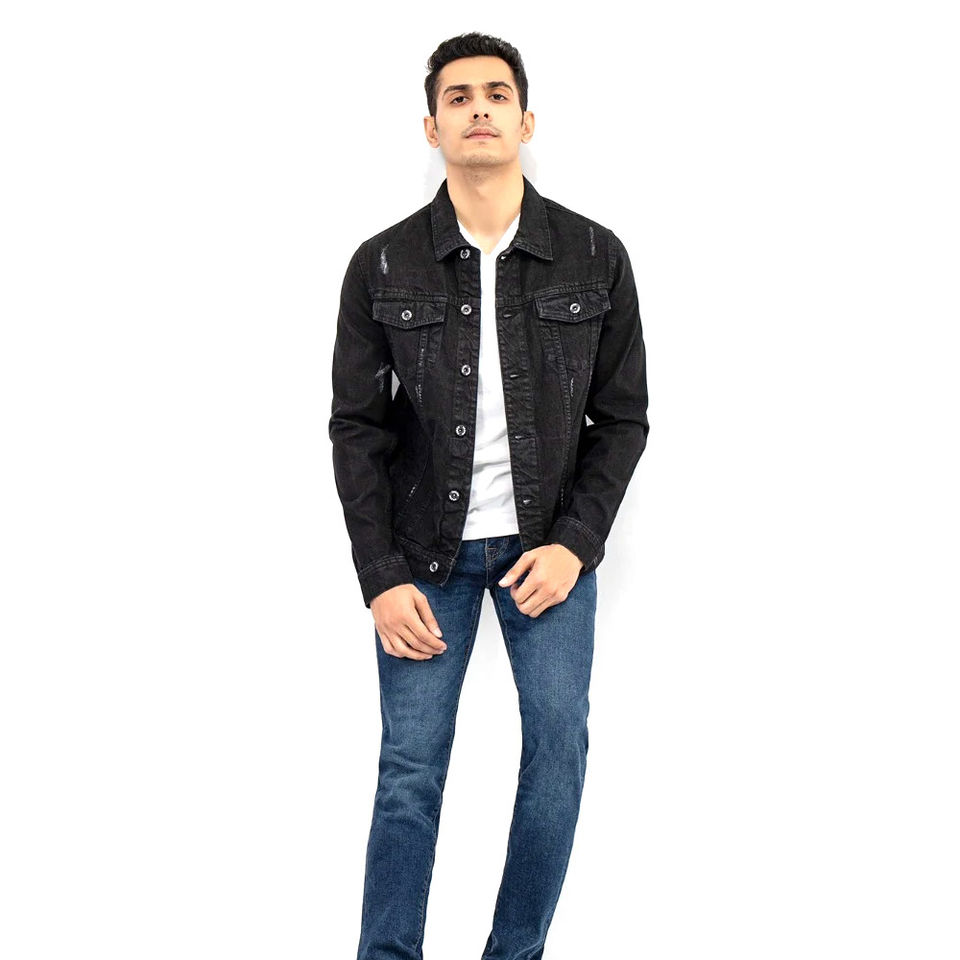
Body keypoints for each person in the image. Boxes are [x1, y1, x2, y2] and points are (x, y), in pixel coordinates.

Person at [329, 31, 650, 960]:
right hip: (422, 564)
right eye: (459, 96)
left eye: (497, 94)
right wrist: (381, 576)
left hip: (547, 556)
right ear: (431, 127)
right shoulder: (382, 264)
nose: (479, 109)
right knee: (409, 772)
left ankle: (515, 954)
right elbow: (357, 430)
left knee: (557, 755)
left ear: (526, 121)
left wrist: (576, 543)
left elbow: (622, 419)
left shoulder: (594, 255)